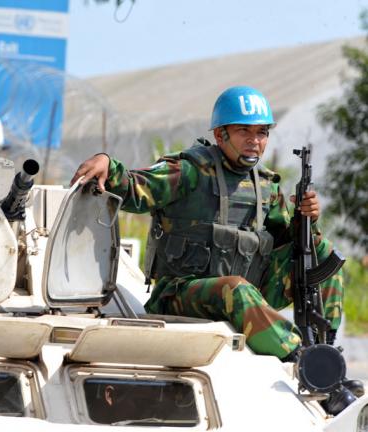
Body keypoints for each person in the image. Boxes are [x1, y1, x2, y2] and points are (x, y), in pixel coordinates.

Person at [71, 86, 363, 414]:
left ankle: (326, 357)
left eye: (261, 133)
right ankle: (306, 364)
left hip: (244, 294)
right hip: (181, 293)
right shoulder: (190, 171)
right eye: (244, 131)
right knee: (236, 289)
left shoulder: (266, 186)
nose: (254, 140)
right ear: (221, 135)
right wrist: (107, 164)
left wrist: (307, 220)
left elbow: (292, 244)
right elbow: (137, 189)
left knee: (321, 254)